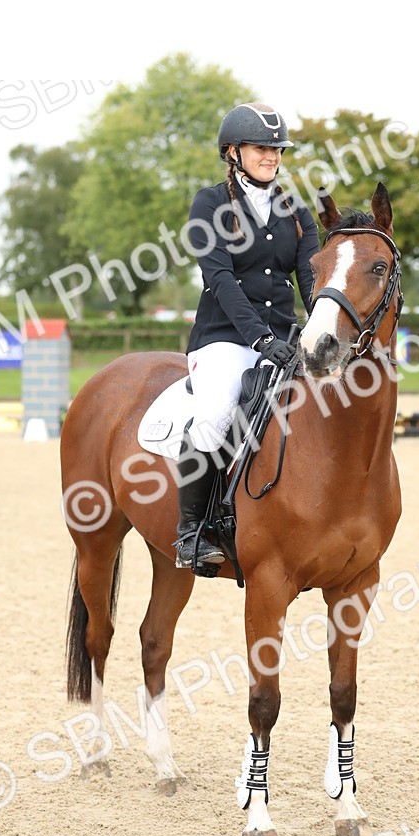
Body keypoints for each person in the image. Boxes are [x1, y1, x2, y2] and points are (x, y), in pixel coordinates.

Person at [175, 101, 320, 569]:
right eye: (261, 148)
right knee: (218, 413)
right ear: (233, 152)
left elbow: (309, 279)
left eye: (277, 149)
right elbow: (220, 279)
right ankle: (192, 532)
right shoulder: (210, 204)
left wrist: (322, 328)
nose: (272, 157)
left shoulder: (296, 210)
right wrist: (259, 339)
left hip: (285, 340)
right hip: (223, 340)